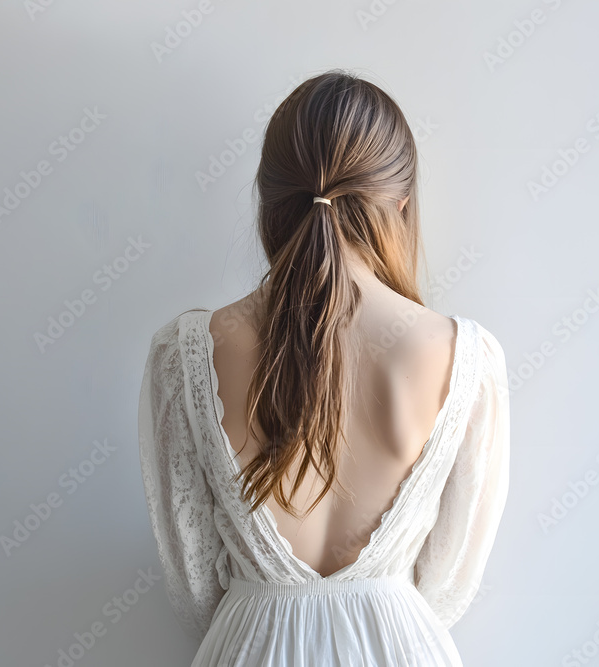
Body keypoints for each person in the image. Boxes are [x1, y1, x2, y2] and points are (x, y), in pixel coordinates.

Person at [138, 69, 510, 666]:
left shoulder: (185, 353)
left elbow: (192, 587)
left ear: (269, 199)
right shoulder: (463, 356)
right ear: (402, 203)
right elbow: (448, 584)